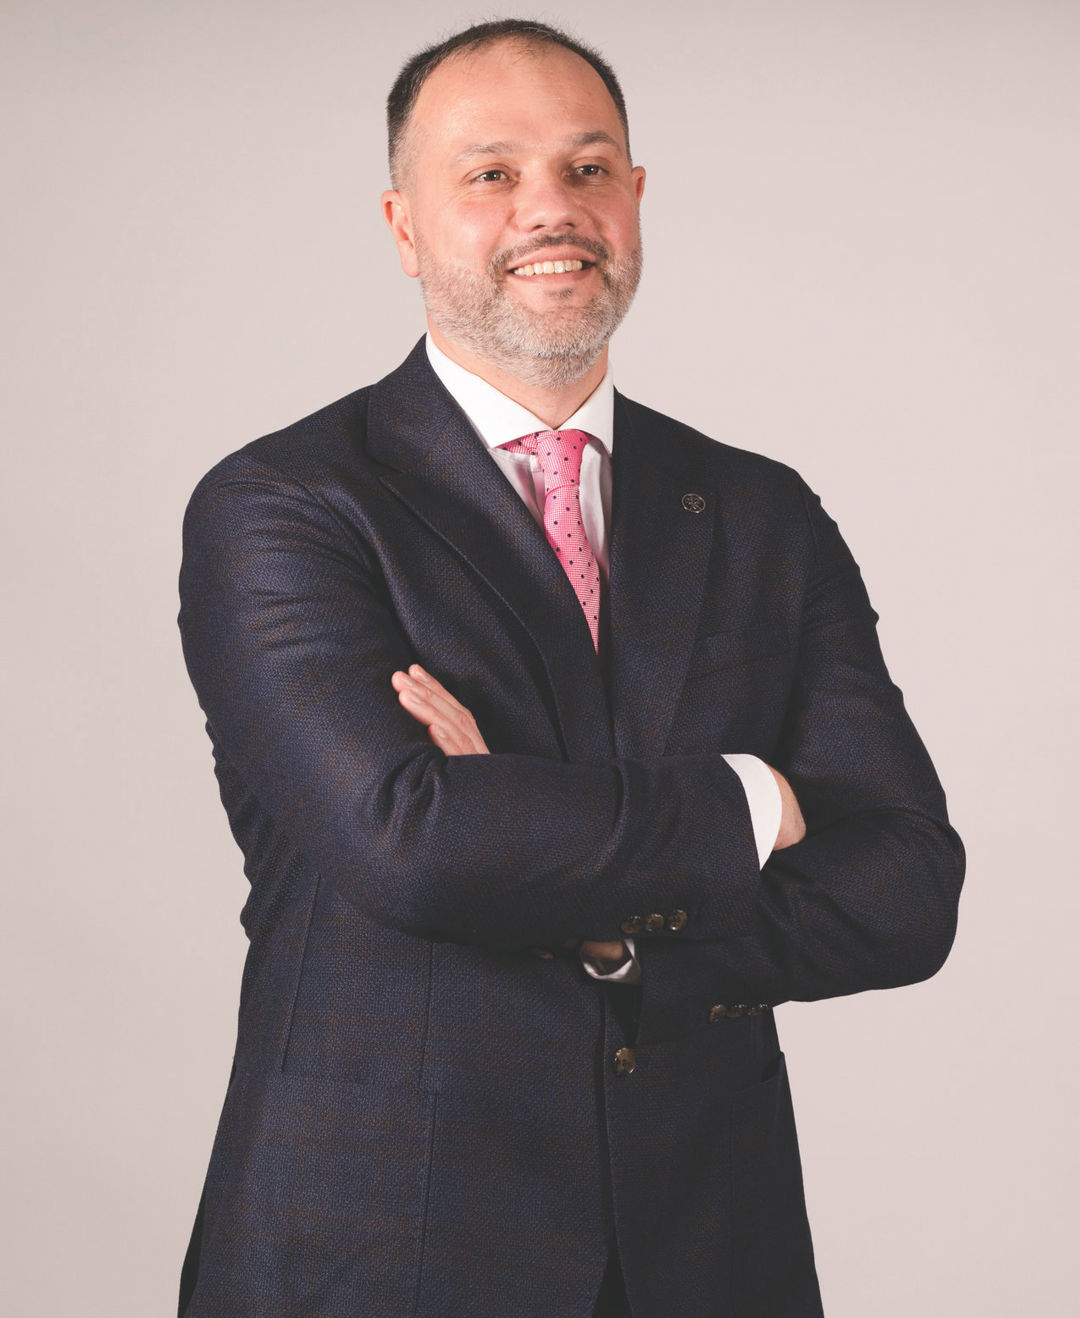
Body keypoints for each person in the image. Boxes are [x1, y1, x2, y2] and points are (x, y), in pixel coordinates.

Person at [176, 19, 964, 1318]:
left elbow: (908, 886)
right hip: (384, 1249)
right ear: (403, 225)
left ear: (636, 197)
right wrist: (751, 802)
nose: (551, 208)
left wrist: (598, 923)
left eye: (589, 168)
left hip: (711, 1253)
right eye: (490, 173)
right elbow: (413, 844)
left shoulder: (760, 513)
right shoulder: (286, 506)